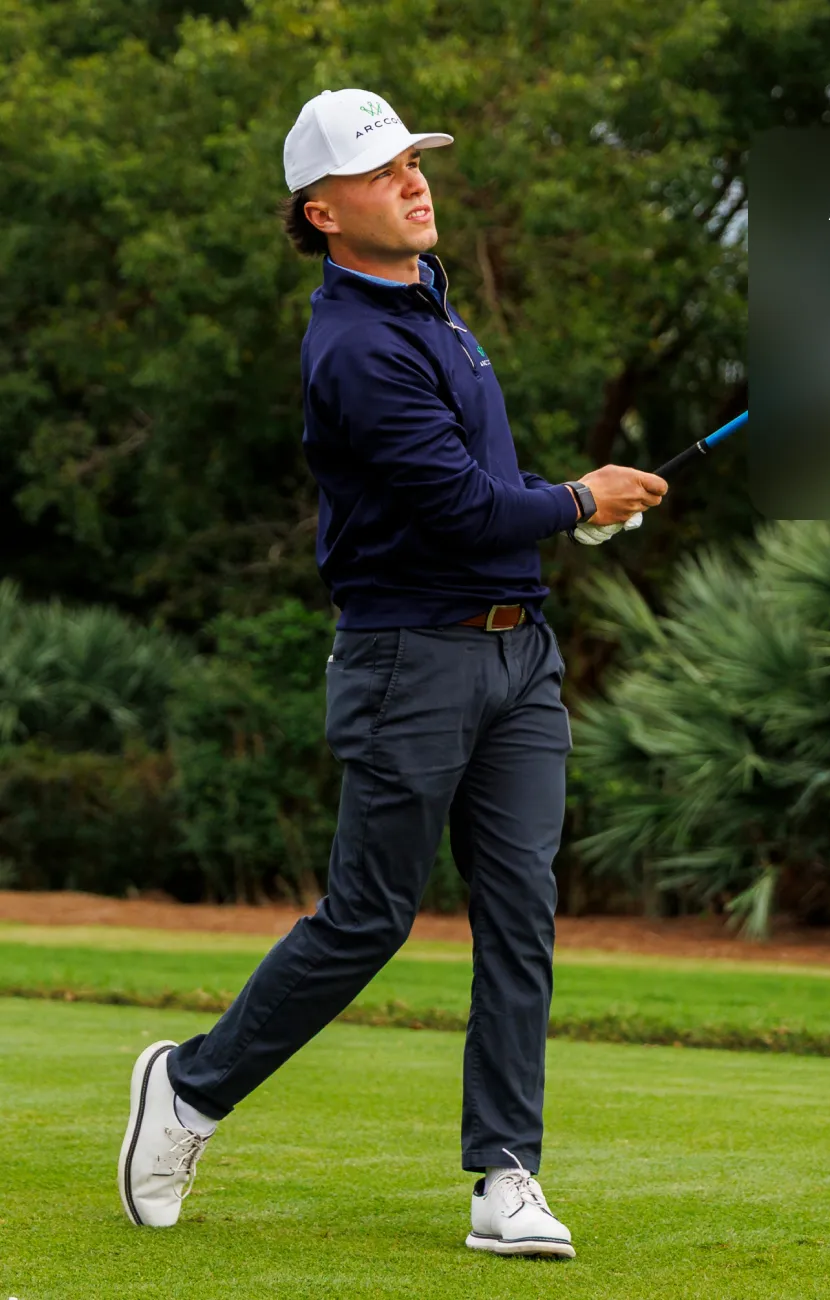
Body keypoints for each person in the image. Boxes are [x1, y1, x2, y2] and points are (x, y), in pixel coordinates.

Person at [116, 87, 668, 1258]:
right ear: (322, 212)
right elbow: (461, 507)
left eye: (414, 161)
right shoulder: (356, 345)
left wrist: (572, 516)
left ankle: (505, 1176)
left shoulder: (429, 305)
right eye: (382, 171)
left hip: (519, 653)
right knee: (369, 915)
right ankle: (190, 1089)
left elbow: (478, 495)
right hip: (410, 659)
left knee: (521, 915)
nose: (413, 181)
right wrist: (580, 498)